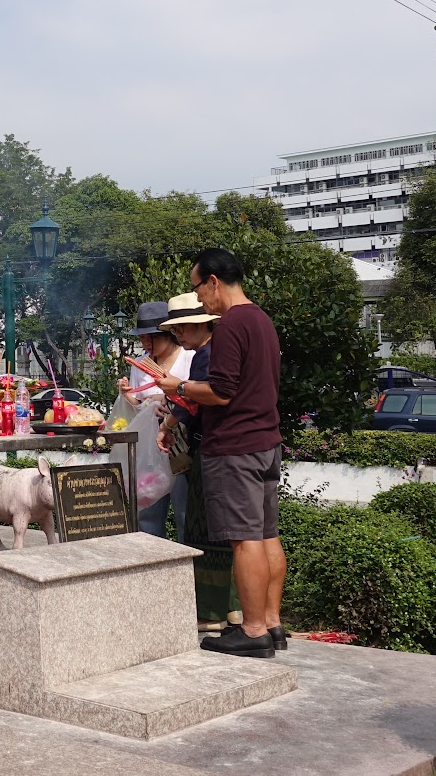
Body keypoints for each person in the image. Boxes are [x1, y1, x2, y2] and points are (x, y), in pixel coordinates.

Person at [156, 248, 285, 658]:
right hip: (266, 441)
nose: (199, 299)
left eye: (198, 289)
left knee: (244, 540)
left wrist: (177, 387)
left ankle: (252, 631)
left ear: (213, 281)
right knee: (266, 534)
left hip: (235, 447)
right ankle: (272, 623)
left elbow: (221, 391)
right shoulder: (262, 319)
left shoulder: (230, 325)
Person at [116, 301, 190, 536]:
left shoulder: (189, 357)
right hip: (149, 446)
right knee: (148, 511)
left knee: (185, 511)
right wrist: (127, 396)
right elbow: (139, 405)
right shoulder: (140, 364)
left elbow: (195, 397)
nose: (147, 344)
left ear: (169, 334)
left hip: (181, 446)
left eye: (153, 337)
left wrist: (167, 398)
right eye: (142, 338)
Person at [156, 292, 219, 544]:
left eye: (181, 328)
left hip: (212, 445)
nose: (178, 334)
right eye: (174, 330)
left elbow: (196, 398)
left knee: (206, 528)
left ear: (201, 324)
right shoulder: (209, 351)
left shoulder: (206, 354)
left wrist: (166, 423)